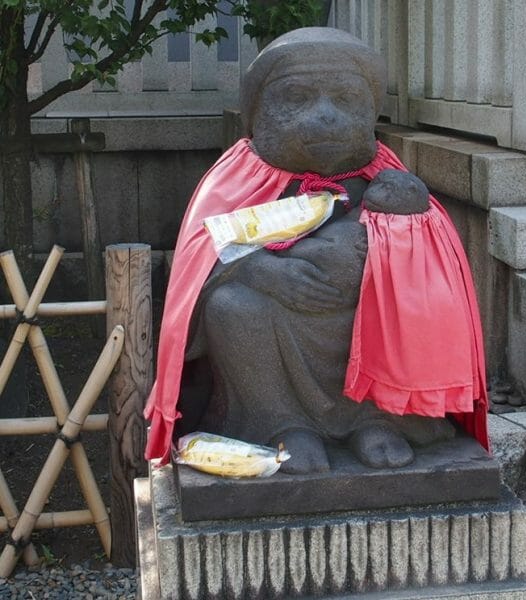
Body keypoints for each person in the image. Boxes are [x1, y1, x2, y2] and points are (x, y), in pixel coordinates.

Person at [144, 28, 488, 474]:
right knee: (231, 309)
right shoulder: (239, 177)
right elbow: (200, 262)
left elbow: (433, 262)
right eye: (297, 98)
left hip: (360, 314)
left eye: (345, 100)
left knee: (400, 308)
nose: (325, 117)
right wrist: (261, 272)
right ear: (259, 112)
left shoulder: (383, 174)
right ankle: (279, 425)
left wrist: (403, 225)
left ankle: (379, 419)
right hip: (273, 316)